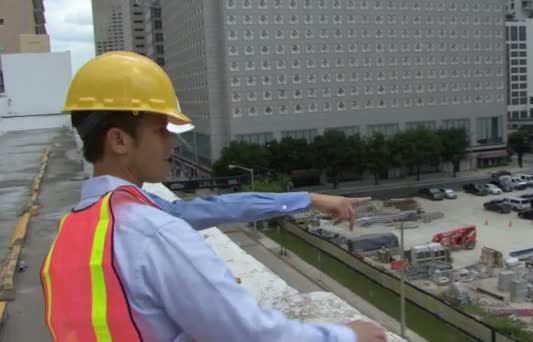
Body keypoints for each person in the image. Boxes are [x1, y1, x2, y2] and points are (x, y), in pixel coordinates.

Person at [40, 51, 387, 342]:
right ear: (119, 141)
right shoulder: (153, 232)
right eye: (161, 131)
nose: (172, 145)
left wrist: (306, 199)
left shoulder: (72, 230)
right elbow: (248, 334)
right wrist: (347, 336)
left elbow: (212, 208)